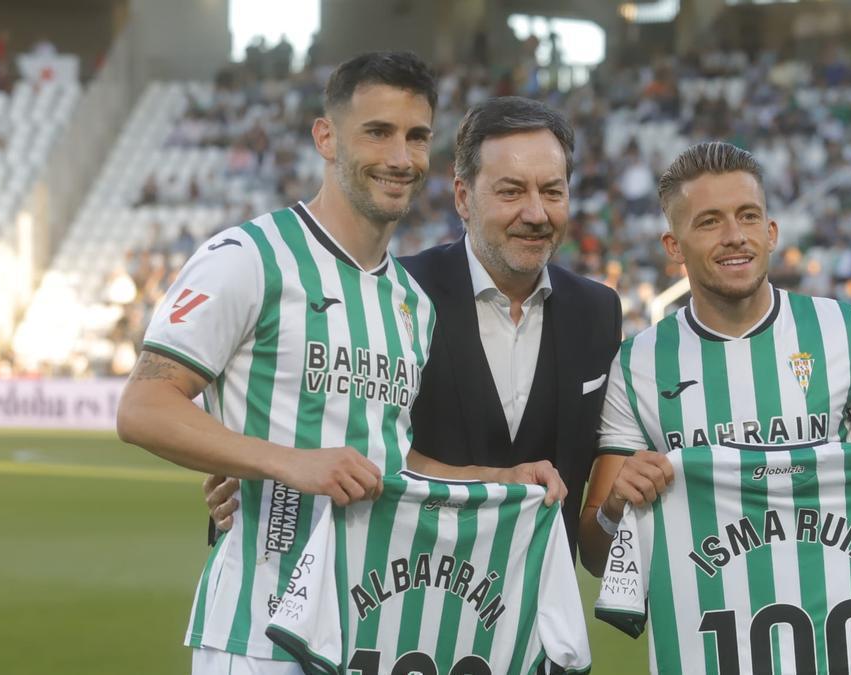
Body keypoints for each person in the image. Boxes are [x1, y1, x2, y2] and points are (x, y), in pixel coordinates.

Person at [117, 52, 541, 675]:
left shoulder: (411, 303)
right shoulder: (249, 256)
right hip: (261, 630)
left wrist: (493, 479)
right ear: (326, 137)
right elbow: (143, 407)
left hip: (372, 625)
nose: (401, 157)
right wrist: (290, 463)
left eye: (416, 136)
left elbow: (383, 456)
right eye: (378, 132)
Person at [206, 96, 623, 554]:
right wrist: (252, 480)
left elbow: (599, 512)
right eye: (511, 191)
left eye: (552, 191)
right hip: (403, 595)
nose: (536, 212)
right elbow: (329, 435)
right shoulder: (392, 295)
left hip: (538, 611)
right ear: (463, 197)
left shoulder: (598, 312)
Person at [577, 141, 851, 575]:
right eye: (709, 222)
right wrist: (614, 507)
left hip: (837, 628)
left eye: (748, 216)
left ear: (772, 231)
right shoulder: (637, 365)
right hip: (702, 635)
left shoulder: (843, 332)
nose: (735, 236)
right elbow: (595, 556)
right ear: (673, 246)